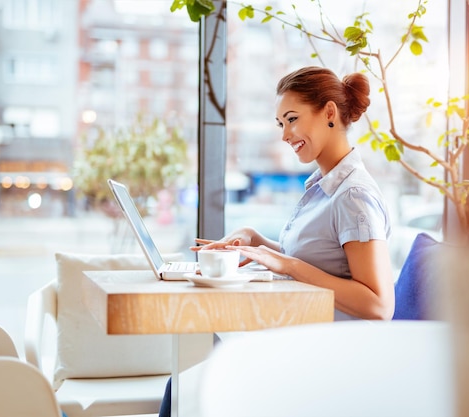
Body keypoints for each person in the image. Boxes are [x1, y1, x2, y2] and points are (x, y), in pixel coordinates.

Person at [158, 65, 395, 416]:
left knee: (195, 377)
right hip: (301, 341)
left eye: (292, 119)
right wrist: (257, 241)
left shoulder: (353, 196)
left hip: (330, 359)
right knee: (191, 369)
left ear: (329, 113)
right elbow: (323, 264)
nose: (285, 134)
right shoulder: (324, 186)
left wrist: (288, 265)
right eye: (280, 123)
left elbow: (378, 305)